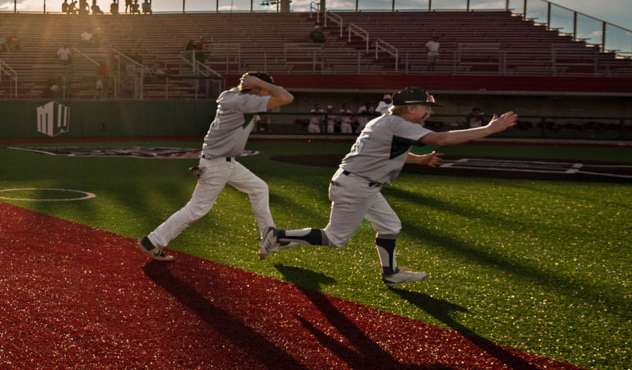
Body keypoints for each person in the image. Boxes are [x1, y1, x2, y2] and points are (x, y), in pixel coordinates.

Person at [267, 88, 518, 284]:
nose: (428, 112)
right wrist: (489, 129)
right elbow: (441, 139)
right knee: (334, 238)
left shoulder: (387, 122)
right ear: (411, 108)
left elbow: (390, 152)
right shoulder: (397, 124)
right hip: (357, 186)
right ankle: (277, 236)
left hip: (361, 184)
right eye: (426, 107)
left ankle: (391, 273)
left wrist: (420, 159)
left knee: (390, 226)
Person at [137, 71, 294, 263]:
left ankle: (270, 238)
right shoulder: (244, 101)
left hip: (222, 161)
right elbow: (287, 97)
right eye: (264, 90)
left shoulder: (232, 94)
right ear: (256, 88)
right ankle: (152, 241)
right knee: (196, 209)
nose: (267, 95)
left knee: (259, 188)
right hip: (218, 163)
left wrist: (257, 84)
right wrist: (260, 83)